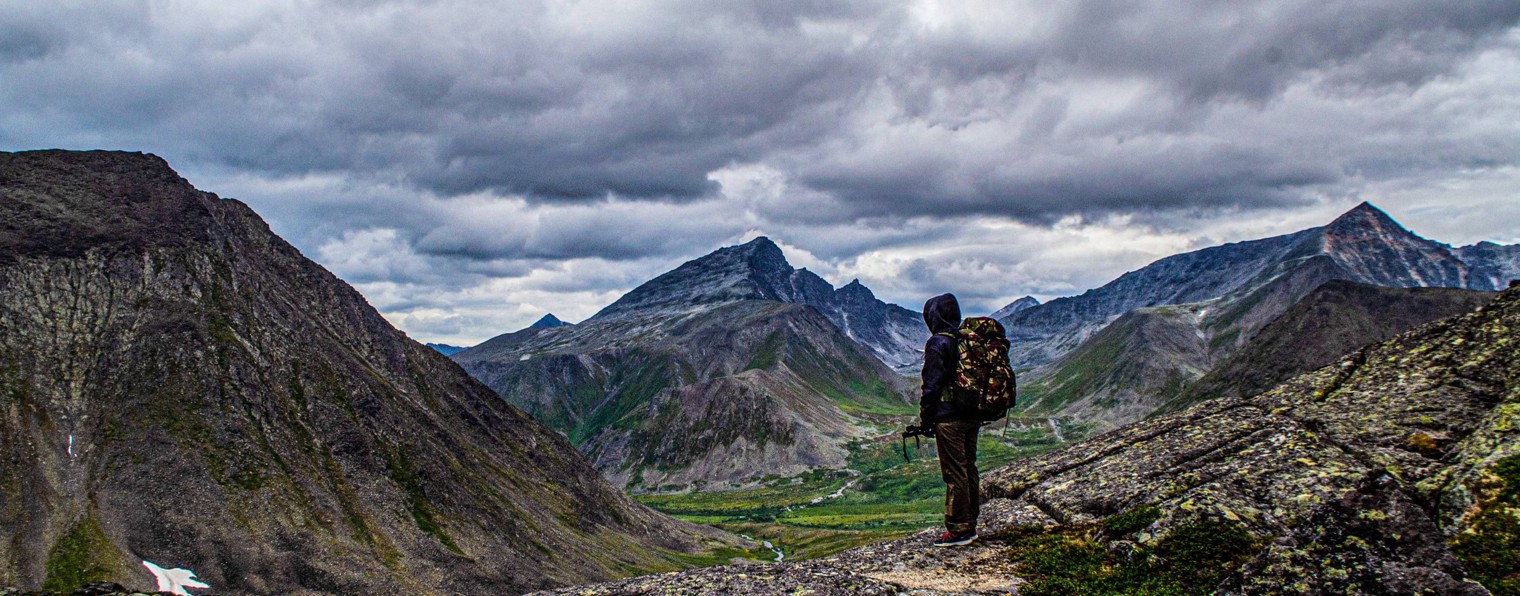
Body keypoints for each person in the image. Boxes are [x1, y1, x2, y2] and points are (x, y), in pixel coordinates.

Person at [919, 292, 980, 547]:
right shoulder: (966, 340)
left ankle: (958, 530)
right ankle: (971, 522)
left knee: (954, 473)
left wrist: (926, 417)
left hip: (949, 418)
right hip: (972, 415)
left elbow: (931, 386)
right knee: (969, 468)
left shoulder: (938, 343)